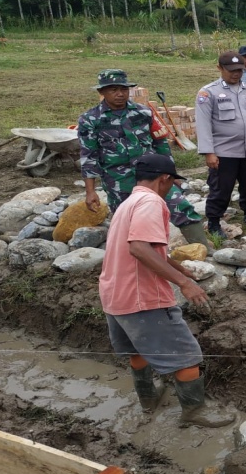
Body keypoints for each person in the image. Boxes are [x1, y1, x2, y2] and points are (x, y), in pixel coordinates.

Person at [99, 153, 235, 428]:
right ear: (165, 179)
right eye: (172, 182)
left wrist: (177, 267)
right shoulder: (152, 202)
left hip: (115, 295)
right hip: (142, 298)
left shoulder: (129, 202)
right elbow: (138, 248)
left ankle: (148, 400)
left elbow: (140, 245)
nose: (172, 187)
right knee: (187, 356)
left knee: (138, 349)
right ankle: (194, 411)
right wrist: (184, 283)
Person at [78, 69, 209, 247]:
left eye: (123, 89)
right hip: (118, 178)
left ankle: (202, 245)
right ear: (102, 92)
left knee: (179, 204)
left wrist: (172, 175)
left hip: (152, 173)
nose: (119, 94)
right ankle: (136, 256)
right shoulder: (91, 119)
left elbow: (161, 144)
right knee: (128, 218)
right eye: (113, 90)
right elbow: (89, 155)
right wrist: (90, 191)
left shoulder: (143, 113)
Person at [196, 51, 246, 237]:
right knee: (222, 187)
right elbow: (203, 124)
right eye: (231, 70)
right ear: (219, 68)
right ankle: (214, 221)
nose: (236, 74)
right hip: (224, 151)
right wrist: (209, 152)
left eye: (239, 70)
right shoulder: (208, 93)